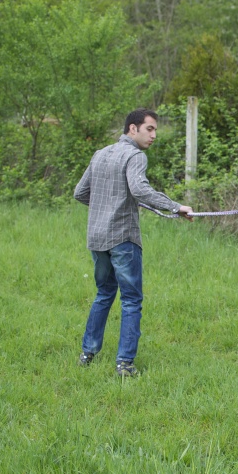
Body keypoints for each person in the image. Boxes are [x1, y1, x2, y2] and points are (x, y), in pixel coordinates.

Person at [74, 108, 193, 377]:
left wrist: (106, 206)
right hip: (123, 239)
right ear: (132, 129)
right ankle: (124, 365)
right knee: (131, 300)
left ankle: (87, 354)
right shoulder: (134, 155)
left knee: (104, 293)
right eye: (149, 129)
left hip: (96, 238)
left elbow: (80, 193)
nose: (154, 135)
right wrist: (176, 207)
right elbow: (139, 190)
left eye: (155, 130)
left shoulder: (100, 154)